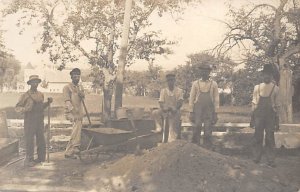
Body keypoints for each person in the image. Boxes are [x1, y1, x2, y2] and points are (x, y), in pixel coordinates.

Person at [15, 75, 53, 167]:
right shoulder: (25, 95)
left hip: (39, 120)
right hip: (29, 120)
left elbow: (41, 107)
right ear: (30, 83)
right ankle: (29, 159)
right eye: (33, 82)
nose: (35, 84)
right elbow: (17, 108)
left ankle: (41, 158)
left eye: (36, 82)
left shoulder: (41, 94)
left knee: (41, 139)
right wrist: (26, 109)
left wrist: (47, 103)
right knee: (29, 140)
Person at [251, 64, 280, 167]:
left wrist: (277, 121)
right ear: (262, 75)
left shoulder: (275, 89)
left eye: (269, 74)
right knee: (257, 137)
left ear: (272, 75)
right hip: (259, 116)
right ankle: (256, 158)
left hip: (270, 116)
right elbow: (254, 104)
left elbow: (277, 106)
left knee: (269, 138)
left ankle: (270, 160)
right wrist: (252, 118)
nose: (266, 77)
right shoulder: (257, 87)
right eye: (265, 74)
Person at [189, 63, 219, 147]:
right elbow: (191, 98)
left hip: (209, 110)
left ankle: (207, 148)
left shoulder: (214, 84)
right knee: (197, 126)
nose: (204, 73)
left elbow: (216, 99)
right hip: (198, 109)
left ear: (209, 72)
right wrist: (191, 112)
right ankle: (195, 146)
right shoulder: (195, 83)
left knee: (208, 128)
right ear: (200, 72)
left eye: (206, 71)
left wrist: (216, 113)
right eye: (202, 71)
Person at [151, 73, 184, 142]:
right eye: (169, 80)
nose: (170, 82)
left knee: (173, 123)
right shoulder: (163, 91)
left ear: (174, 81)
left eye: (172, 80)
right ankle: (159, 127)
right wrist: (164, 108)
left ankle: (172, 138)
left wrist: (175, 108)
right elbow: (161, 102)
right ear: (167, 81)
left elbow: (180, 101)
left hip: (175, 110)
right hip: (165, 110)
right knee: (155, 112)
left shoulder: (179, 91)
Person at [63, 68, 85, 159]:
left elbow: (83, 99)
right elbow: (67, 102)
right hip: (70, 112)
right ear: (71, 76)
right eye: (75, 76)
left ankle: (69, 152)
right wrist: (73, 112)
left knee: (76, 130)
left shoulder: (80, 87)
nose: (77, 78)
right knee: (76, 128)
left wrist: (82, 95)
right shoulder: (67, 87)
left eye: (78, 76)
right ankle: (74, 147)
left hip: (79, 112)